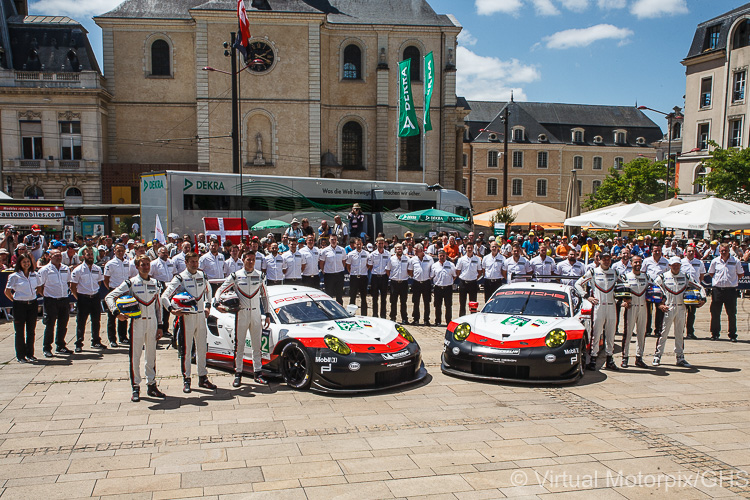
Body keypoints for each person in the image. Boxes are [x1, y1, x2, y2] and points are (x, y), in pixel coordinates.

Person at [106, 255, 167, 402]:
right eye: (142, 264)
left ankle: (152, 385)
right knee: (135, 356)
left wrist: (160, 326)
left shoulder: (156, 283)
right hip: (137, 323)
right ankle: (135, 386)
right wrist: (116, 313)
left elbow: (158, 307)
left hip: (152, 324)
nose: (146, 267)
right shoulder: (131, 283)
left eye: (147, 264)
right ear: (137, 266)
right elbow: (109, 297)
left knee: (151, 355)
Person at [161, 252, 216, 393]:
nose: (194, 264)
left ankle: (203, 377)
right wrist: (172, 309)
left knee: (202, 349)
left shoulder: (202, 275)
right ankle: (187, 379)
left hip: (201, 317)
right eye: (192, 262)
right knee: (186, 350)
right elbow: (164, 296)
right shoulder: (180, 277)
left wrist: (208, 306)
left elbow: (209, 291)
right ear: (186, 262)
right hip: (187, 317)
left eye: (196, 261)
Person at [215, 250, 271, 387]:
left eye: (253, 259)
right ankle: (238, 373)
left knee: (257, 345)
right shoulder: (236, 276)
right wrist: (217, 303)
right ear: (243, 260)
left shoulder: (260, 276)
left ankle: (257, 373)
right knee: (239, 345)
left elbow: (265, 296)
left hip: (256, 315)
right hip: (241, 314)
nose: (251, 262)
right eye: (248, 259)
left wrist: (268, 314)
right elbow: (220, 290)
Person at [653, 256, 705, 367]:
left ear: (680, 265)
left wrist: (703, 298)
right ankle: (657, 356)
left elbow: (699, 286)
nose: (676, 267)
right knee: (663, 333)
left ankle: (680, 357)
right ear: (669, 266)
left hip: (681, 308)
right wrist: (659, 304)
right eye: (673, 265)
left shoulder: (686, 276)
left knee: (679, 334)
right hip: (668, 307)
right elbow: (653, 288)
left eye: (678, 265)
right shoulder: (663, 277)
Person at [575, 252, 620, 371]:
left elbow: (624, 285)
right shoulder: (593, 272)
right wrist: (587, 296)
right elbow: (578, 284)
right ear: (599, 260)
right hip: (598, 306)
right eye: (604, 259)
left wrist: (623, 297)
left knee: (611, 333)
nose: (606, 261)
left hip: (611, 305)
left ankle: (609, 358)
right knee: (596, 333)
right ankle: (593, 358)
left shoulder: (615, 272)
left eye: (608, 259)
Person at [4, 254, 42, 363]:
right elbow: (7, 291)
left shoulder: (34, 274)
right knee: (20, 331)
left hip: (32, 304)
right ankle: (20, 355)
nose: (26, 264)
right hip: (20, 304)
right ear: (20, 263)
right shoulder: (14, 276)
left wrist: (36, 294)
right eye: (24, 262)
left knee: (31, 330)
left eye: (28, 262)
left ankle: (30, 353)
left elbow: (39, 286)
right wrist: (14, 300)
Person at [69, 247, 105, 352]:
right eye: (88, 254)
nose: (90, 256)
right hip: (83, 298)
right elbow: (73, 286)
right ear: (83, 256)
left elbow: (99, 282)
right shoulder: (78, 270)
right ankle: (79, 343)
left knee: (96, 321)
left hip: (94, 297)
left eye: (91, 255)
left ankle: (96, 341)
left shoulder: (97, 269)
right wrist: (78, 297)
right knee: (81, 321)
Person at [708, 243, 744, 341]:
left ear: (729, 250)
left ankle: (732, 335)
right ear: (719, 251)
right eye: (722, 251)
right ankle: (715, 334)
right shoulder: (715, 261)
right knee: (715, 313)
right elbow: (711, 273)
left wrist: (731, 281)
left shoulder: (735, 261)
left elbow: (740, 274)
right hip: (717, 290)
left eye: (726, 250)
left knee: (732, 314)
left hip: (730, 290)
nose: (724, 252)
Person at [39, 249, 71, 356]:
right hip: (51, 300)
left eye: (59, 255)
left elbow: (68, 282)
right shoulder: (44, 270)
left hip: (63, 299)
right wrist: (46, 295)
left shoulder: (65, 268)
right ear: (50, 256)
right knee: (50, 324)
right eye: (56, 255)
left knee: (63, 324)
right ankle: (47, 348)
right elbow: (40, 286)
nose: (58, 257)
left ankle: (60, 345)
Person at [620, 255, 651, 368]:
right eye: (635, 263)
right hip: (631, 307)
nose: (637, 265)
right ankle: (625, 357)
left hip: (643, 307)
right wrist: (624, 301)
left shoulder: (646, 276)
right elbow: (620, 291)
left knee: (642, 333)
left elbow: (655, 288)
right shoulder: (625, 277)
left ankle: (639, 357)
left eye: (639, 262)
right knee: (628, 333)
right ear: (631, 263)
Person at [104, 243, 131, 347]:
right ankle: (112, 339)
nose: (120, 252)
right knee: (112, 316)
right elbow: (106, 279)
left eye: (122, 250)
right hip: (114, 290)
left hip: (125, 292)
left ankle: (123, 337)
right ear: (114, 251)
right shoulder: (110, 264)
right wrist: (111, 290)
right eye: (118, 250)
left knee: (124, 316)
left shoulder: (127, 262)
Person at [643, 245, 669, 337]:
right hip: (649, 288)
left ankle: (658, 329)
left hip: (661, 289)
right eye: (655, 251)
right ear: (652, 251)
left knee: (660, 309)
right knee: (648, 310)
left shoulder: (665, 262)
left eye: (658, 250)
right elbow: (643, 273)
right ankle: (647, 329)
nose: (657, 252)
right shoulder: (646, 261)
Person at [150, 246, 176, 335]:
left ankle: (165, 329)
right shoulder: (153, 264)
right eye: (163, 252)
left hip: (169, 287)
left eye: (166, 252)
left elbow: (175, 273)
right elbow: (149, 276)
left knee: (167, 308)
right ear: (158, 253)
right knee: (158, 308)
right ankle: (157, 327)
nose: (165, 254)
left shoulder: (171, 262)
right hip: (159, 287)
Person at [681, 246, 705, 340]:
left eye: (692, 251)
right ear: (685, 252)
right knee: (681, 313)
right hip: (683, 290)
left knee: (691, 313)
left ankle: (690, 332)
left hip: (693, 291)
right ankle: (680, 332)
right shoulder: (681, 262)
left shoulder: (699, 263)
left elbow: (702, 276)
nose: (691, 253)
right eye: (689, 251)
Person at [408, 243, 433, 325]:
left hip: (426, 282)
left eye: (416, 250)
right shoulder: (413, 260)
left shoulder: (429, 259)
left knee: (426, 302)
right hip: (416, 283)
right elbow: (410, 271)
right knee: (416, 301)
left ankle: (426, 320)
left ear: (421, 250)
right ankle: (416, 319)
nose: (414, 252)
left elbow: (433, 270)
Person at [456, 243, 482, 317]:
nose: (469, 249)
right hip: (463, 283)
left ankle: (473, 317)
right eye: (468, 248)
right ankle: (462, 318)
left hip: (473, 283)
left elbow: (479, 272)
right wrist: (462, 277)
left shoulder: (477, 259)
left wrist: (474, 278)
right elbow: (458, 271)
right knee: (462, 303)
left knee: (473, 303)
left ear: (473, 249)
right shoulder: (461, 259)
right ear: (465, 249)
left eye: (471, 248)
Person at [386, 243, 410, 324]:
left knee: (403, 302)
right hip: (394, 283)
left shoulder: (407, 259)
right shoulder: (391, 259)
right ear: (395, 250)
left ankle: (404, 318)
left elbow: (409, 270)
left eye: (400, 248)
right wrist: (393, 277)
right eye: (398, 249)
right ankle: (393, 318)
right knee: (393, 301)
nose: (399, 250)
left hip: (404, 283)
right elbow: (388, 270)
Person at [431, 249, 456, 326]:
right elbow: (432, 276)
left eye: (443, 256)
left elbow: (454, 276)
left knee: (448, 306)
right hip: (438, 288)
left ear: (446, 256)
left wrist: (448, 282)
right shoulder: (434, 266)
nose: (442, 257)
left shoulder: (451, 265)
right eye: (440, 256)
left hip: (448, 288)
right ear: (438, 256)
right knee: (438, 306)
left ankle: (448, 321)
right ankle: (438, 321)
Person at [319, 234, 346, 304]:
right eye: (332, 240)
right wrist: (324, 271)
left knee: (339, 295)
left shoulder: (342, 250)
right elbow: (321, 263)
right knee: (329, 294)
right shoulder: (325, 251)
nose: (333, 241)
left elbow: (344, 261)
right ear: (329, 240)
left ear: (337, 240)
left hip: (339, 275)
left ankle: (339, 311)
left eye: (335, 239)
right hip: (329, 275)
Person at [346, 237, 369, 316]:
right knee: (352, 296)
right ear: (355, 245)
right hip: (354, 277)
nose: (359, 245)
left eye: (360, 244)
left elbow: (368, 265)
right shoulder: (351, 254)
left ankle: (364, 315)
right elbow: (348, 266)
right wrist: (352, 272)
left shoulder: (366, 254)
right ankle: (351, 314)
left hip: (363, 277)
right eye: (357, 244)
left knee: (363, 297)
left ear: (362, 244)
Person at [368, 237, 390, 318]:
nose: (380, 245)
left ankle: (383, 315)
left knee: (384, 298)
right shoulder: (372, 254)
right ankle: (375, 315)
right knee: (375, 298)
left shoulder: (388, 254)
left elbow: (389, 266)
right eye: (379, 243)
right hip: (375, 277)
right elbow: (370, 266)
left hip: (384, 277)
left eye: (382, 243)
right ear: (376, 244)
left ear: (384, 243)